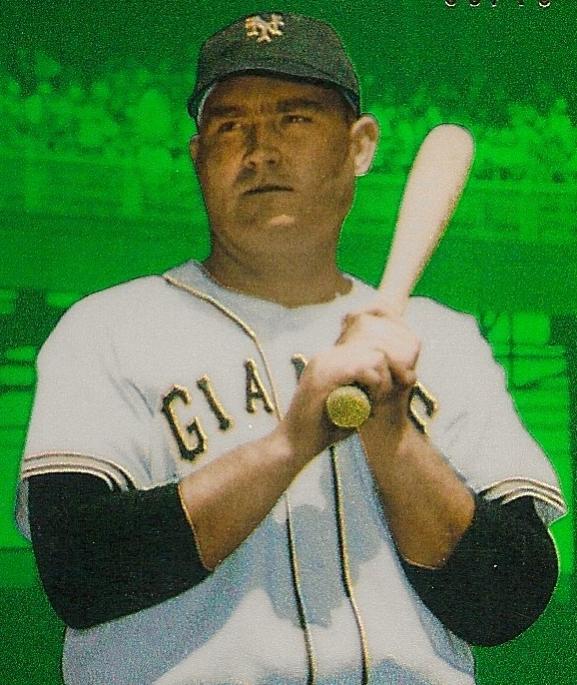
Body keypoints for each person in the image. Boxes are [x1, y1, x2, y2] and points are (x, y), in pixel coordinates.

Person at [15, 13, 566, 685]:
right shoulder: (106, 329)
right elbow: (80, 575)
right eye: (230, 126)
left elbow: (505, 600)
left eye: (294, 119)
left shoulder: (440, 342)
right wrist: (288, 445)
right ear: (197, 156)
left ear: (359, 146)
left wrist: (395, 439)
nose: (260, 151)